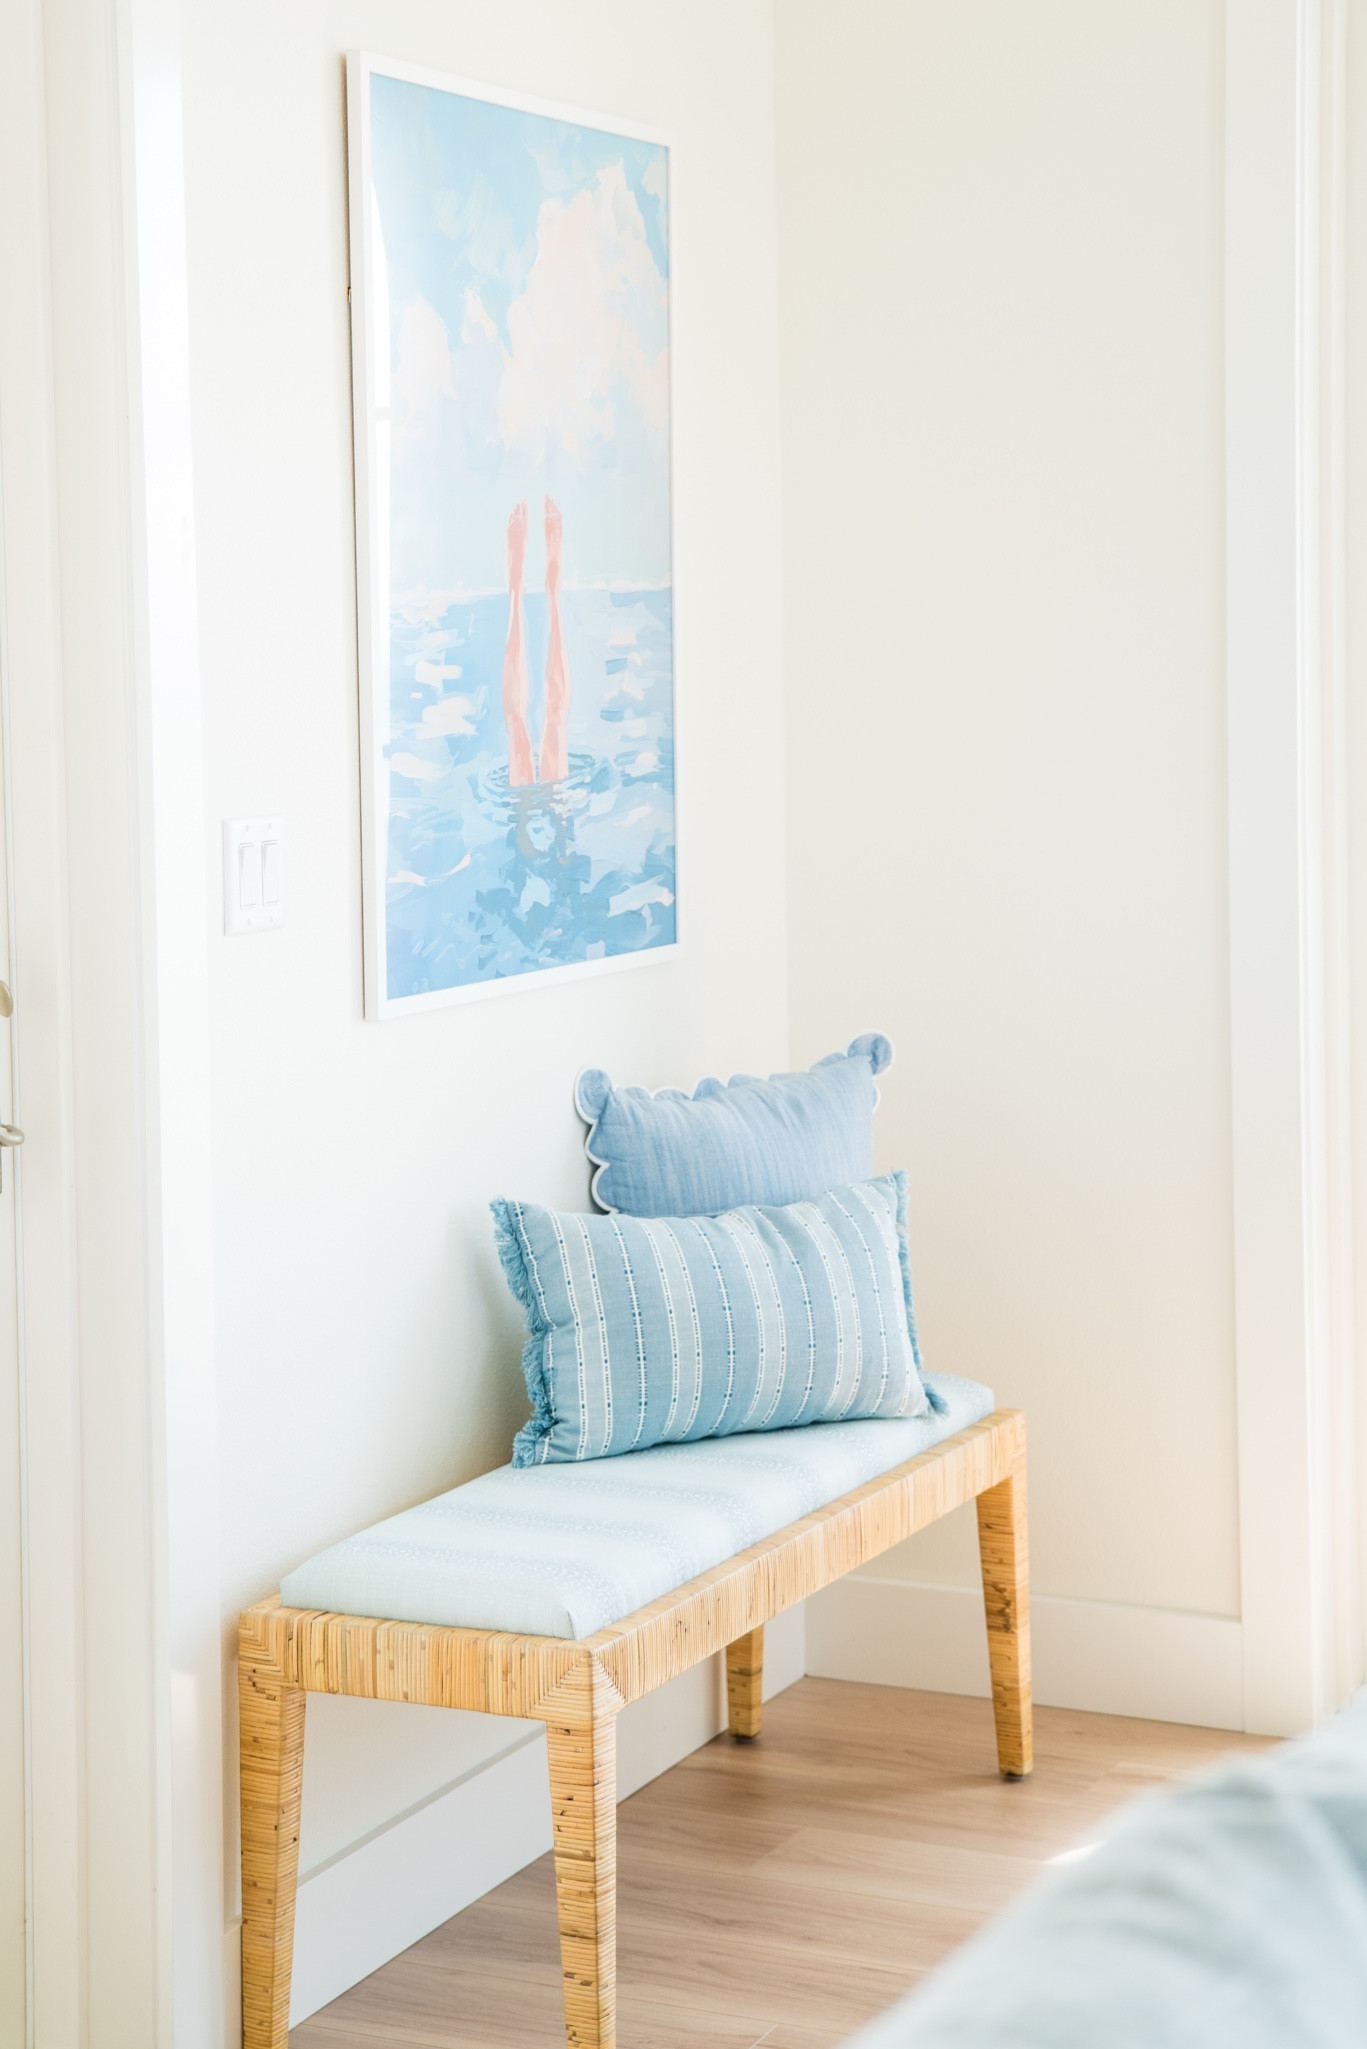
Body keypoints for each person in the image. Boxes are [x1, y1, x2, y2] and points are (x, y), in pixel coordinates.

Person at [502, 496, 571, 785]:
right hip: (559, 802)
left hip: (523, 808)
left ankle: (519, 585)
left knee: (519, 721)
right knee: (550, 716)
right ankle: (546, 587)